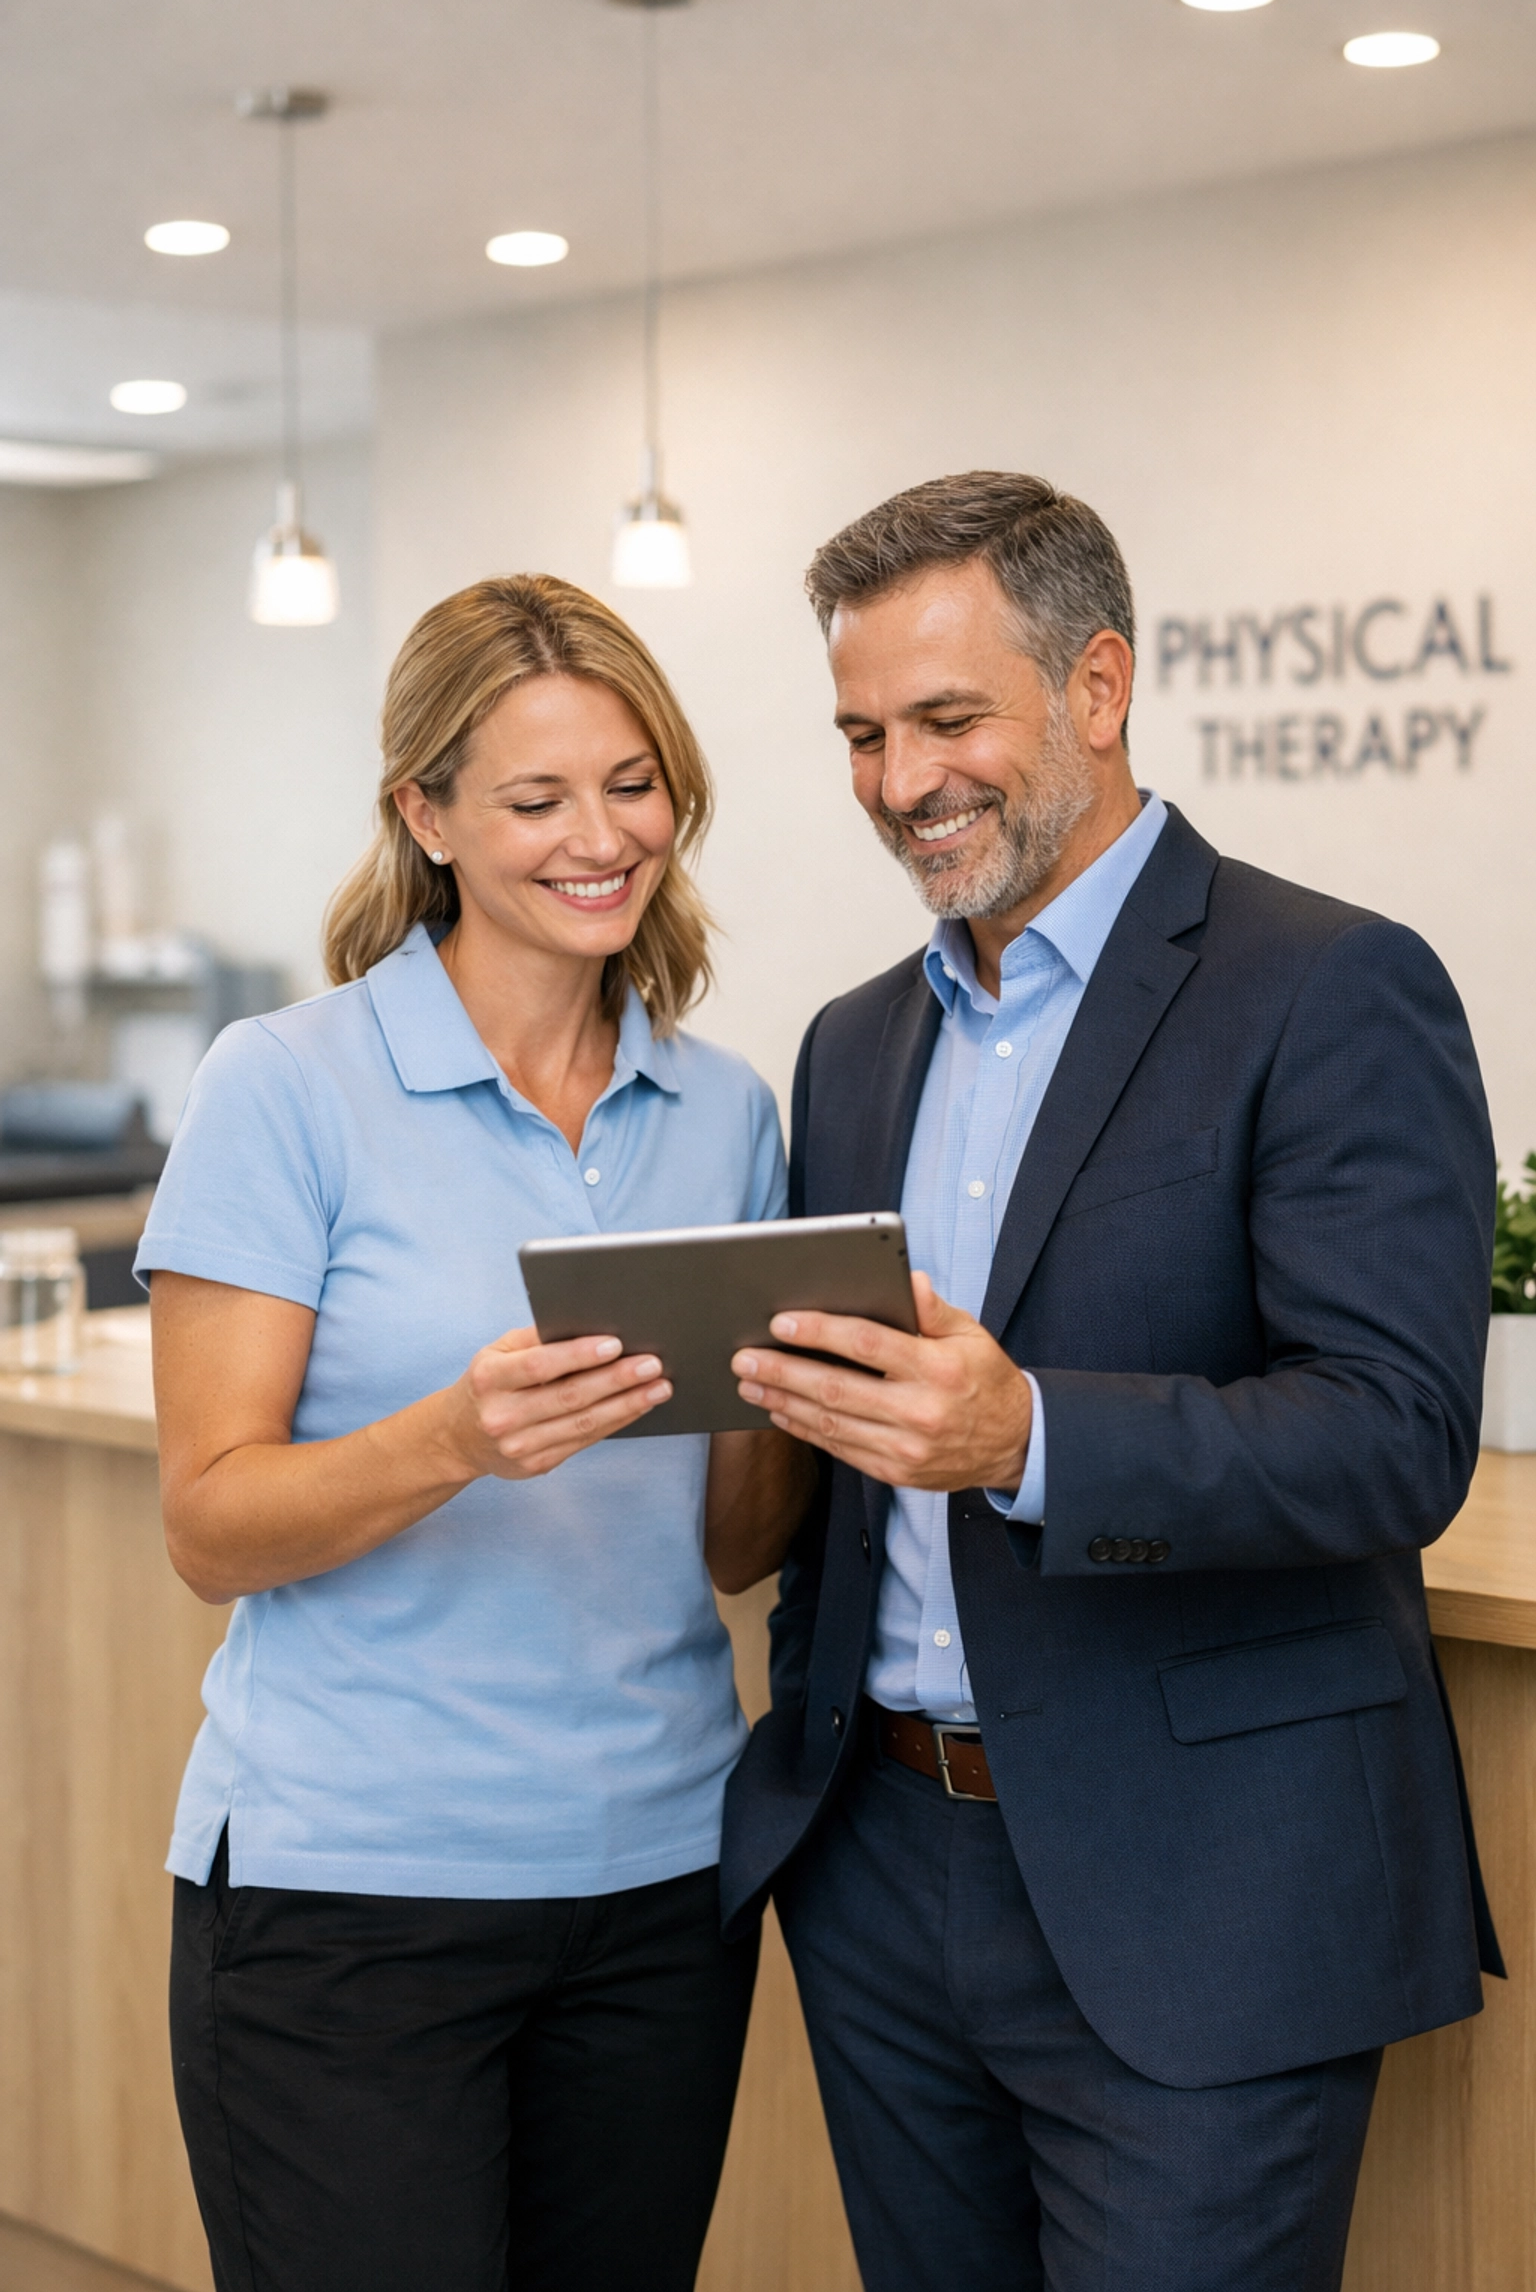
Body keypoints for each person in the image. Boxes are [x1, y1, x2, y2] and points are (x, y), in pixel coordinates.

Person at [720, 473, 1502, 2292]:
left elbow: (1397, 1437)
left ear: (1096, 688)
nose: (901, 781)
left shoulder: (1331, 986)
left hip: (1204, 1897)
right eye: (858, 734)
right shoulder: (851, 1044)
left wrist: (1032, 1435)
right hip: (878, 1867)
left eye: (946, 720)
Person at [142, 573, 812, 2292]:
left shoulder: (726, 1110)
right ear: (425, 814)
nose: (601, 837)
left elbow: (731, 1544)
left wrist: (807, 1394)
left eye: (634, 782)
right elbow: (213, 1522)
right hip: (349, 1898)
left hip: (659, 1884)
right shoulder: (284, 1086)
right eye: (535, 799)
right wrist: (455, 1438)